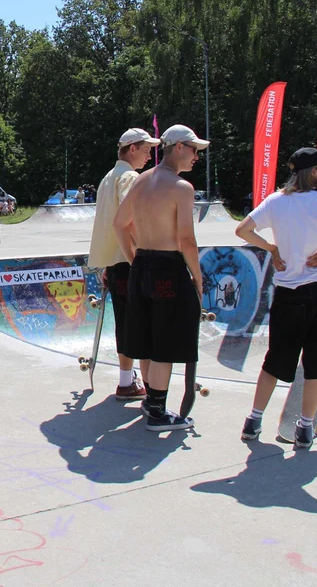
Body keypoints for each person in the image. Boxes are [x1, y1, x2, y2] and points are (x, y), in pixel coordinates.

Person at [234, 147, 317, 447]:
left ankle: (253, 420)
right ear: (314, 172)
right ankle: (304, 427)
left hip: (288, 293)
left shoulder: (276, 202)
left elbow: (243, 230)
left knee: (275, 358)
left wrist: (272, 249)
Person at [114, 124, 208, 431]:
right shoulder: (181, 188)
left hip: (142, 265)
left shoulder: (141, 180)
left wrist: (135, 260)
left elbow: (119, 224)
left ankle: (152, 403)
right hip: (169, 267)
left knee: (149, 338)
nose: (197, 157)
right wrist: (197, 277)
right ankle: (156, 409)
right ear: (179, 147)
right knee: (166, 342)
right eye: (194, 150)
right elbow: (187, 240)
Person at [89, 128, 159, 401]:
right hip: (131, 260)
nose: (150, 156)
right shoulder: (129, 177)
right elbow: (131, 221)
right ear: (131, 149)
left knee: (125, 322)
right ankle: (150, 388)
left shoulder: (108, 177)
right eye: (145, 150)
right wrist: (142, 258)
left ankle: (126, 380)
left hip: (115, 262)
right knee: (142, 324)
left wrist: (108, 262)